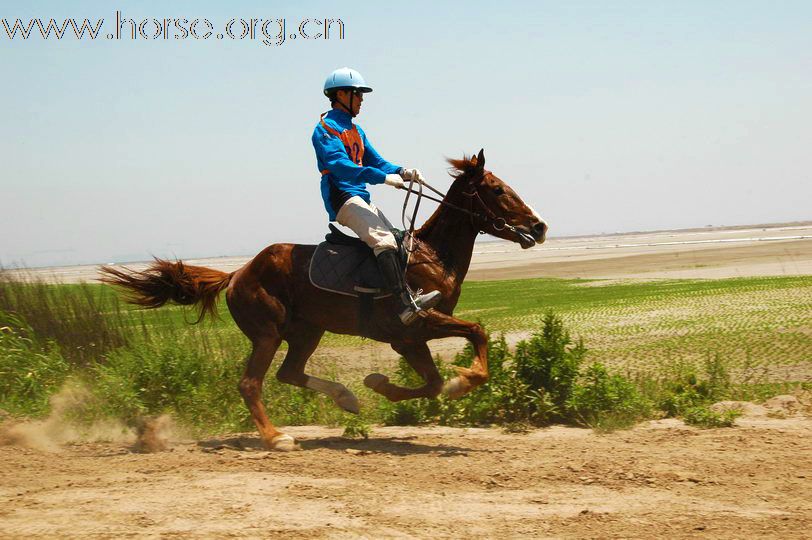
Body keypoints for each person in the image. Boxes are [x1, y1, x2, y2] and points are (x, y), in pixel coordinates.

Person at [312, 67, 441, 324]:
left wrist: (403, 172)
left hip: (361, 198)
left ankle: (392, 293)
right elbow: (341, 167)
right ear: (341, 94)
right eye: (358, 95)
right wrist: (382, 178)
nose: (362, 100)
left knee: (399, 240)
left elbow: (378, 162)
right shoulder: (325, 128)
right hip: (342, 198)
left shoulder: (357, 130)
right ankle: (405, 306)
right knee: (384, 242)